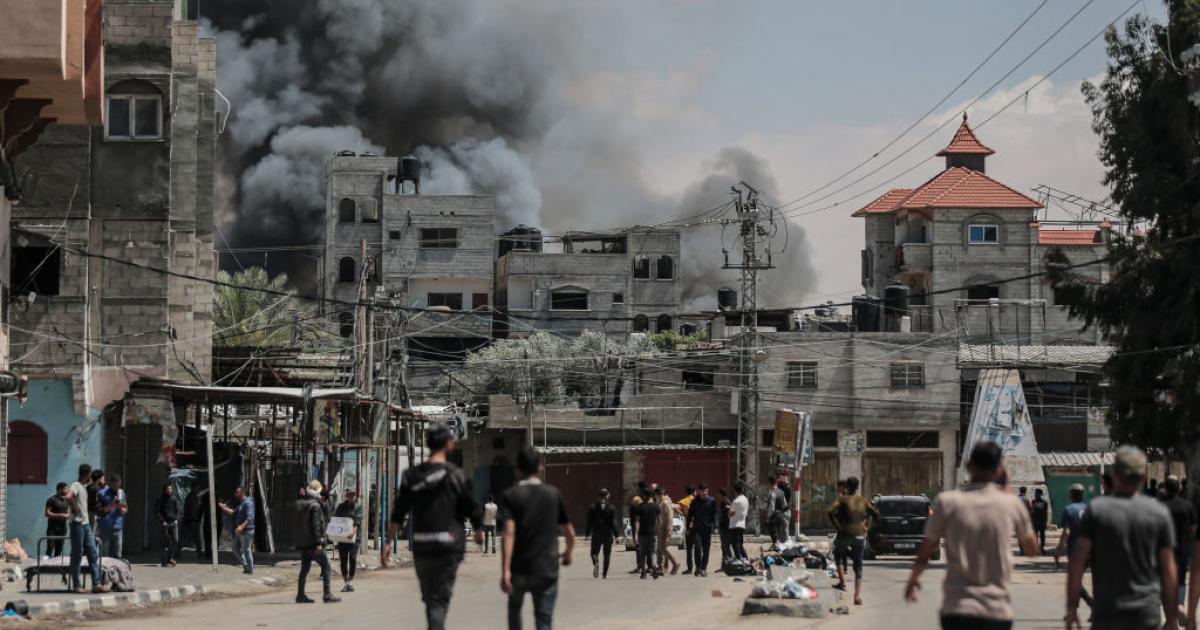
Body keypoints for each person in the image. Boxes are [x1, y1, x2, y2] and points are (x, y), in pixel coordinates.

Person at [904, 441, 1037, 630]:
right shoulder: (1011, 504)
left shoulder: (947, 502)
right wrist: (1007, 491)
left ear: (967, 467)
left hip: (957, 609)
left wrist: (912, 581)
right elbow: (1031, 550)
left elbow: (924, 553)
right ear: (999, 471)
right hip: (997, 611)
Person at [382, 424, 482, 630]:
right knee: (438, 602)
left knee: (431, 600)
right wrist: (479, 531)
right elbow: (472, 508)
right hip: (449, 546)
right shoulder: (456, 474)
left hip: (423, 546)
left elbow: (398, 512)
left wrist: (388, 543)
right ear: (448, 444)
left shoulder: (411, 475)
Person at [1067, 446, 1177, 630]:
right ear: (1143, 477)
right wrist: (1172, 617)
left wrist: (1071, 608)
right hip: (1146, 614)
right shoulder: (1159, 513)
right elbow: (1168, 569)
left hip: (1107, 614)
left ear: (1115, 475)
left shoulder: (1096, 510)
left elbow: (1077, 563)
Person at [499, 447, 574, 630]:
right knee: (544, 619)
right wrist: (568, 553)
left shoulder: (510, 495)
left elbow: (508, 532)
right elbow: (569, 531)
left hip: (519, 568)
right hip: (546, 569)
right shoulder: (553, 494)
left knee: (514, 612)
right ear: (540, 468)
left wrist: (505, 570)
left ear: (517, 469)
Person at [828, 476, 879, 605]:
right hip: (860, 535)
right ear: (857, 487)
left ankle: (842, 582)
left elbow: (830, 511)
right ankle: (857, 596)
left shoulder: (842, 499)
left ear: (846, 487)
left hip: (845, 533)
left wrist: (838, 527)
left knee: (838, 554)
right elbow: (876, 514)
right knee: (858, 565)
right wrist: (867, 527)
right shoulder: (863, 501)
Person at [294, 480, 339, 604]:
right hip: (314, 544)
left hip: (304, 544)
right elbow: (315, 526)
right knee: (326, 567)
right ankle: (327, 594)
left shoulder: (302, 504)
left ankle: (300, 595)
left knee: (304, 570)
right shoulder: (315, 506)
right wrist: (318, 543)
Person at [68, 464, 108, 594]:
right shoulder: (76, 485)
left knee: (92, 552)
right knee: (77, 555)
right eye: (90, 474)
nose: (91, 476)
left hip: (85, 524)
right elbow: (68, 496)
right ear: (87, 474)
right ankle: (76, 585)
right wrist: (75, 508)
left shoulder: (84, 488)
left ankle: (96, 584)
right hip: (77, 524)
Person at [1053, 484, 1093, 611]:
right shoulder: (1089, 509)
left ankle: (1091, 604)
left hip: (1075, 551)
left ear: (1071, 495)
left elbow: (1066, 532)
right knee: (1077, 581)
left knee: (1075, 580)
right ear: (1082, 495)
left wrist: (1059, 550)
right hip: (1090, 550)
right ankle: (1074, 609)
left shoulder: (1069, 509)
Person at [1161, 475, 1195, 608]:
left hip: (1165, 550)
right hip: (1183, 550)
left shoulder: (1160, 507)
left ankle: (1169, 609)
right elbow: (1193, 529)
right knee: (1181, 579)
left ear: (1166, 488)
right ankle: (1180, 605)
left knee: (1165, 579)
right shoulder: (1187, 507)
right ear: (1180, 488)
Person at [219, 486, 256, 575]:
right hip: (240, 532)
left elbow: (249, 518)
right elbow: (233, 512)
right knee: (235, 548)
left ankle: (249, 569)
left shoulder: (248, 503)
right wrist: (224, 508)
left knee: (246, 550)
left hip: (246, 531)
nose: (235, 493)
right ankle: (246, 564)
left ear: (242, 492)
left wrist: (241, 527)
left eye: (237, 492)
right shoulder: (241, 504)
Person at [585, 489, 619, 579]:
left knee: (594, 552)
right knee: (607, 554)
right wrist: (617, 535)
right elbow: (614, 522)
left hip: (597, 533)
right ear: (607, 496)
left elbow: (589, 521)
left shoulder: (592, 507)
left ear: (599, 496)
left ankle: (596, 562)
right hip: (608, 534)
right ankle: (604, 574)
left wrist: (587, 532)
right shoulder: (611, 508)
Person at [333, 489, 362, 591]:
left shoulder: (358, 507)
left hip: (355, 537)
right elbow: (336, 519)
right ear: (346, 495)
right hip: (342, 537)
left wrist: (353, 532)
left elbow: (357, 522)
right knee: (343, 560)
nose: (351, 496)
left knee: (353, 559)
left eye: (353, 495)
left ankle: (350, 582)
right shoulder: (341, 507)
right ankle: (346, 582)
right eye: (349, 495)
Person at [686, 484, 717, 576]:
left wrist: (715, 526)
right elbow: (689, 516)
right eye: (703, 491)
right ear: (698, 491)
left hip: (707, 529)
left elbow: (714, 515)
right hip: (696, 529)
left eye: (706, 491)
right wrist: (688, 527)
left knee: (706, 549)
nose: (704, 493)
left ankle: (704, 568)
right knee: (698, 548)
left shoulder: (711, 501)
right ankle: (698, 567)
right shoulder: (694, 502)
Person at [632, 485, 660, 579]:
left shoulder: (639, 508)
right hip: (653, 533)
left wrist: (636, 534)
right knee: (652, 552)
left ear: (644, 496)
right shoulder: (656, 507)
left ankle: (643, 572)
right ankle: (654, 568)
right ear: (651, 496)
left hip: (642, 534)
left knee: (642, 553)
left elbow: (637, 521)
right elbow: (660, 520)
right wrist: (659, 531)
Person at [97, 475, 128, 558]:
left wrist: (120, 506)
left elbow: (125, 510)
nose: (116, 488)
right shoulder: (102, 493)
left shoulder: (121, 493)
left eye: (118, 486)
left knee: (118, 554)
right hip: (105, 528)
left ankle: (116, 570)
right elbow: (99, 511)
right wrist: (113, 505)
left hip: (118, 528)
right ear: (110, 484)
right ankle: (103, 571)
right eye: (114, 486)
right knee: (104, 554)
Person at [155, 483, 181, 567]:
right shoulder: (160, 499)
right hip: (164, 523)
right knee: (164, 542)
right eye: (168, 489)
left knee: (175, 540)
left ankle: (170, 558)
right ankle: (164, 561)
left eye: (171, 489)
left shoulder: (174, 499)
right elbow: (157, 512)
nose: (170, 490)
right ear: (165, 489)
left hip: (173, 522)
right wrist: (162, 521)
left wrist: (176, 519)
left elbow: (178, 510)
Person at [628, 481, 649, 575]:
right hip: (648, 525)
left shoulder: (636, 499)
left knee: (639, 546)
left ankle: (640, 566)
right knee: (648, 547)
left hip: (637, 524)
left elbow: (633, 507)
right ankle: (649, 566)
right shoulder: (650, 498)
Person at [44, 483, 70, 558]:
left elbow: (67, 511)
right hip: (52, 528)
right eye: (66, 489)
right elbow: (47, 513)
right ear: (59, 489)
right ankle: (45, 567)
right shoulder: (51, 499)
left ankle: (56, 567)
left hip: (63, 528)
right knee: (50, 547)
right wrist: (60, 515)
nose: (67, 490)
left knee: (59, 549)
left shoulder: (66, 500)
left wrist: (68, 515)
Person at [728, 482, 749, 561]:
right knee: (740, 544)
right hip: (742, 524)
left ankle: (739, 559)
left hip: (734, 525)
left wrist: (730, 512)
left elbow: (730, 514)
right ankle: (745, 558)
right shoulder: (746, 499)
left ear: (735, 491)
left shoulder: (736, 501)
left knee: (734, 544)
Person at [677, 485, 695, 573]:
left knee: (689, 548)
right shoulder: (696, 500)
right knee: (699, 547)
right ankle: (699, 567)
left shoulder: (684, 501)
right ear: (694, 492)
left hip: (689, 525)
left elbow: (677, 508)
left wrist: (681, 513)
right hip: (697, 525)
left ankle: (690, 568)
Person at [766, 475, 789, 545]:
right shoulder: (781, 492)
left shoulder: (772, 492)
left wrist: (768, 517)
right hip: (781, 515)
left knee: (773, 533)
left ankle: (775, 546)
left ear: (770, 483)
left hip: (774, 516)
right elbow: (785, 505)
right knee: (780, 533)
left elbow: (772, 507)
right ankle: (779, 546)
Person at [715, 488, 732, 568]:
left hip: (726, 527)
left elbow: (728, 514)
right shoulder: (723, 502)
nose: (717, 496)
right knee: (725, 546)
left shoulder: (726, 502)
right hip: (724, 526)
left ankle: (728, 564)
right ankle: (726, 564)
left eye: (718, 494)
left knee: (725, 546)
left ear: (721, 494)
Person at [1030, 488, 1050, 554]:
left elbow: (1032, 512)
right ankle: (1041, 549)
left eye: (1036, 493)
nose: (1036, 495)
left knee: (1036, 535)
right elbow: (1046, 513)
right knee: (1042, 536)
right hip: (1042, 522)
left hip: (1036, 521)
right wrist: (1046, 522)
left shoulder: (1033, 502)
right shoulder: (1045, 503)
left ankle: (1036, 549)